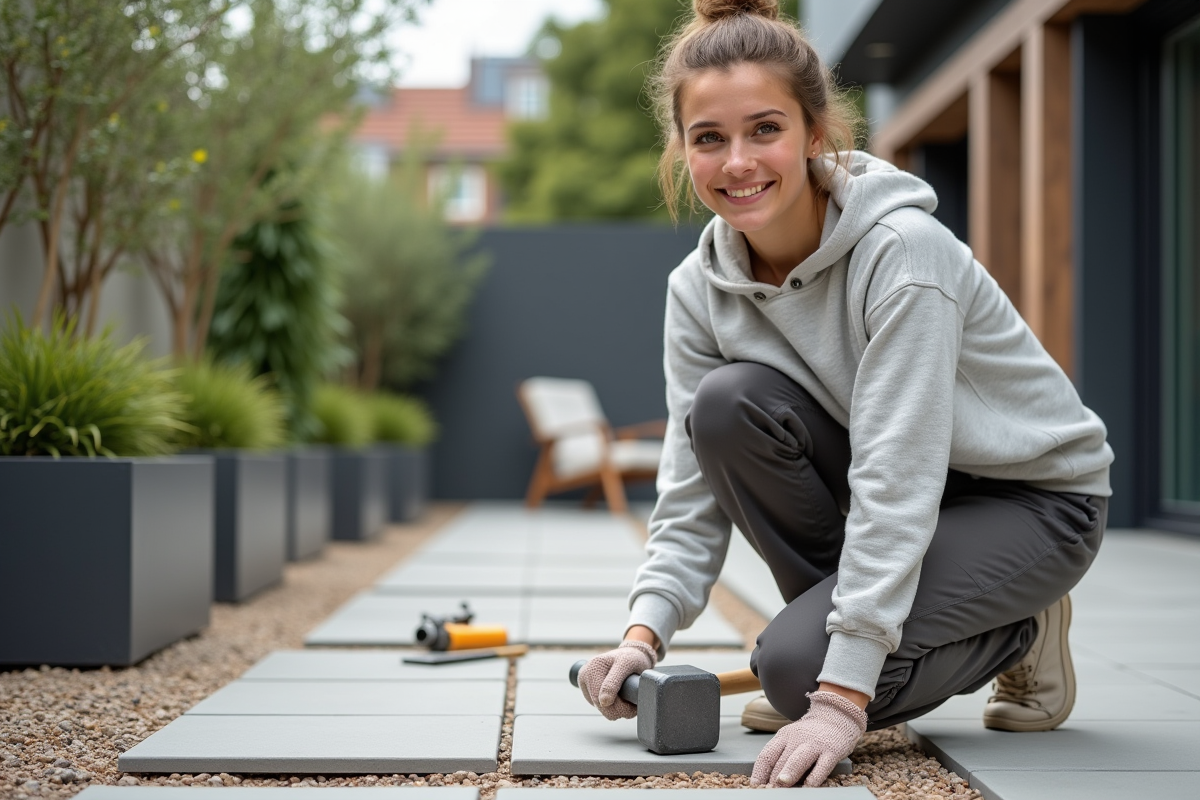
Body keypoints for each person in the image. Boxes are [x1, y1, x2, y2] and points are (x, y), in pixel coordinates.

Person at [574, 0, 1113, 789]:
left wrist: (837, 694)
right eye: (709, 138)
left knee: (796, 675)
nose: (738, 163)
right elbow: (690, 485)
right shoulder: (698, 289)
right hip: (900, 497)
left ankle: (1019, 628)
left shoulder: (902, 252)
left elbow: (898, 474)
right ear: (681, 151)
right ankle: (838, 643)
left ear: (814, 134)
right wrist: (642, 634)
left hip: (1031, 502)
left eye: (766, 129)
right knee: (725, 406)